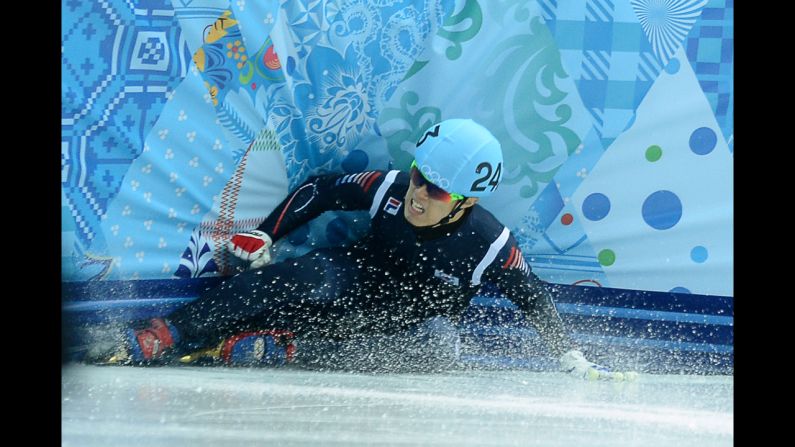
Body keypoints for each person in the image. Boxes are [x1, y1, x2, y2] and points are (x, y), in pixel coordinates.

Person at [90, 118, 630, 380]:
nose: (419, 195)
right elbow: (325, 189)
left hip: (405, 323)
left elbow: (533, 299)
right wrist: (268, 233)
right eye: (421, 177)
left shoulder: (489, 244)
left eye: (437, 190)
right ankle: (169, 334)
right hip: (353, 278)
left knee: (439, 350)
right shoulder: (393, 187)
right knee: (310, 278)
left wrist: (570, 354)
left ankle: (285, 344)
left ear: (464, 201)